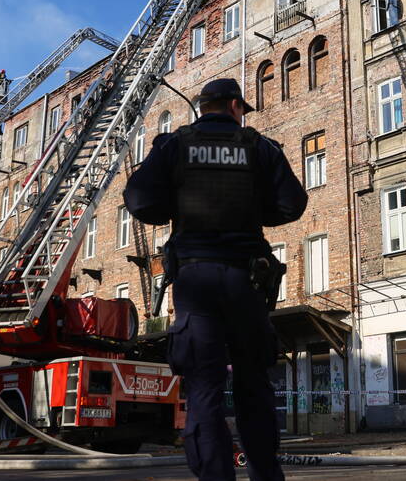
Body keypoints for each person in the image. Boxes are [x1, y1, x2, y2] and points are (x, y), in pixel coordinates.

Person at [124, 78, 307, 481]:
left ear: (203, 108)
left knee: (204, 389)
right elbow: (293, 203)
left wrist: (176, 202)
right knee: (253, 387)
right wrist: (255, 210)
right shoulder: (260, 147)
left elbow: (138, 200)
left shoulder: (174, 146)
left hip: (195, 280)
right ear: (235, 106)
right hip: (246, 280)